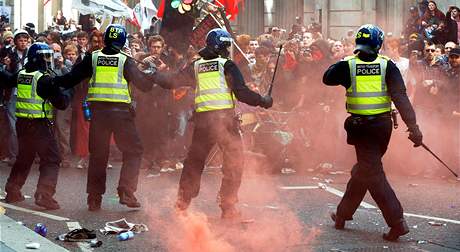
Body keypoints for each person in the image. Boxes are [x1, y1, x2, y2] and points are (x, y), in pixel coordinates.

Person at [152, 28, 273, 219]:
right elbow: (242, 93)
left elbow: (172, 81)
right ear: (223, 46)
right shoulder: (227, 65)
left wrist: (155, 75)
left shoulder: (196, 65)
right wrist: (263, 100)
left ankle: (182, 203)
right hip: (225, 123)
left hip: (202, 123)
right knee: (234, 163)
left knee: (194, 162)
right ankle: (228, 206)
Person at [323, 24, 423, 241]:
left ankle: (397, 222)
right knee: (365, 169)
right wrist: (413, 127)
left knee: (372, 173)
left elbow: (327, 77)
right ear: (379, 44)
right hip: (382, 128)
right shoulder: (388, 66)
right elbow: (401, 97)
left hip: (361, 128)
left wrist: (345, 61)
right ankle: (342, 214)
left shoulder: (348, 65)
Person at [46, 24, 162, 211]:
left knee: (98, 155)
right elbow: (144, 86)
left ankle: (94, 198)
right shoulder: (126, 61)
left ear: (106, 39)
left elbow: (71, 78)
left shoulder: (93, 58)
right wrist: (152, 74)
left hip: (99, 115)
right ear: (123, 41)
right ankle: (126, 191)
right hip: (121, 115)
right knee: (134, 151)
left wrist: (52, 81)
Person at [1, 42, 72, 210]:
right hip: (39, 126)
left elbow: (8, 80)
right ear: (36, 58)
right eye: (45, 57)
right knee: (52, 159)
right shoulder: (44, 79)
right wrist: (65, 91)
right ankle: (44, 194)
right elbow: (61, 103)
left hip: (23, 124)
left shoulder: (22, 74)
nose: (48, 60)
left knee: (25, 158)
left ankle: (12, 190)